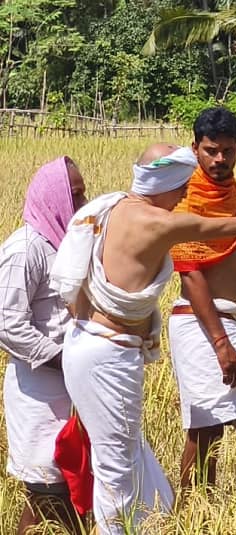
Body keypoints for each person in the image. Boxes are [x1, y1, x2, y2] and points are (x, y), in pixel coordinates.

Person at [50, 143, 236, 534]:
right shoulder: (159, 223)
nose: (185, 195)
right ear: (163, 183)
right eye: (181, 187)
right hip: (107, 355)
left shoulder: (111, 207)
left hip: (87, 345)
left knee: (127, 458)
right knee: (116, 468)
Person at [165, 108, 236, 491]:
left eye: (227, 150)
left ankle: (203, 507)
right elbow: (191, 275)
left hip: (230, 319)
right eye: (210, 151)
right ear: (195, 149)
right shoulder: (186, 200)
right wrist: (221, 343)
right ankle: (192, 511)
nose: (219, 159)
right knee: (204, 426)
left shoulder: (233, 192)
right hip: (200, 322)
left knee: (216, 427)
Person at [1, 157, 87, 534]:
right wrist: (62, 358)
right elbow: (6, 323)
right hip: (39, 391)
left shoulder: (69, 246)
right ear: (53, 197)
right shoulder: (25, 248)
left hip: (73, 387)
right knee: (45, 493)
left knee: (71, 490)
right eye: (76, 195)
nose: (84, 203)